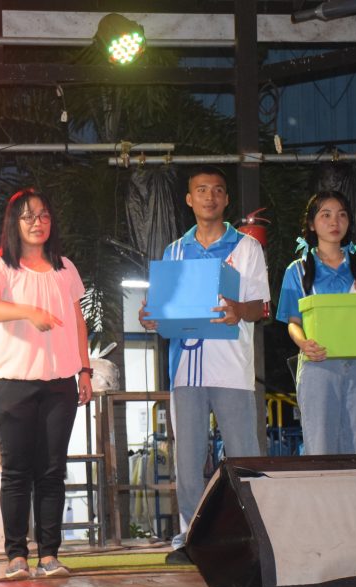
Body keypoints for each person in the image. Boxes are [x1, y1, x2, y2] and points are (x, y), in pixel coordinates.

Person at [138, 166, 269, 565]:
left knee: (244, 456)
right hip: (185, 369)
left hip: (233, 368)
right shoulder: (174, 251)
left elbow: (261, 306)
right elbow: (161, 311)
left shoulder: (247, 247)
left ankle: (255, 536)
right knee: (188, 459)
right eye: (201, 190)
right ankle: (191, 539)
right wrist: (151, 318)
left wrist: (238, 310)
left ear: (226, 199)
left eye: (217, 190)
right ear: (189, 199)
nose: (209, 196)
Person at [0, 188, 92, 580]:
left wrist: (85, 370)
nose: (37, 222)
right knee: (16, 472)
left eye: (43, 215)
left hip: (60, 383)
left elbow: (78, 322)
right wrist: (28, 311)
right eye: (28, 216)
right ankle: (15, 556)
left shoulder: (65, 268)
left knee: (52, 471)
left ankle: (49, 556)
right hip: (13, 382)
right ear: (15, 222)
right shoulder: (2, 266)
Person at [275, 190, 356, 455]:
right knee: (320, 446)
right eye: (326, 215)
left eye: (342, 215)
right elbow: (293, 321)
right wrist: (303, 343)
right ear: (311, 224)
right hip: (318, 365)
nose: (335, 222)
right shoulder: (297, 269)